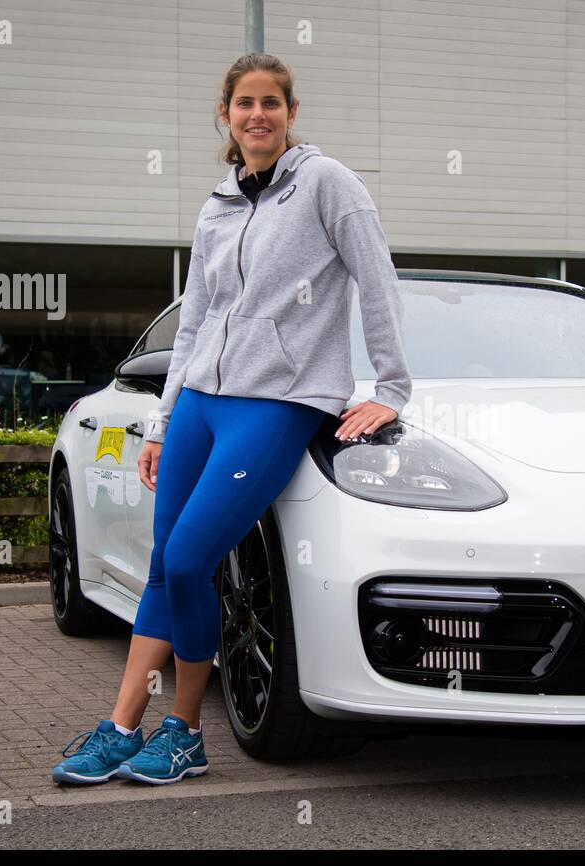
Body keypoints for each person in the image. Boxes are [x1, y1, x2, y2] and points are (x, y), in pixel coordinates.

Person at [52, 52, 412, 785]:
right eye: (245, 103)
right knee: (164, 566)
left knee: (189, 561)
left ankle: (184, 729)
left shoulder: (327, 184)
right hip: (202, 404)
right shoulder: (218, 204)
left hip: (279, 403)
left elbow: (377, 279)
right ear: (226, 115)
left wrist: (392, 387)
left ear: (290, 112)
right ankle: (123, 724)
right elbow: (196, 322)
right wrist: (162, 419)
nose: (258, 115)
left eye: (272, 103)